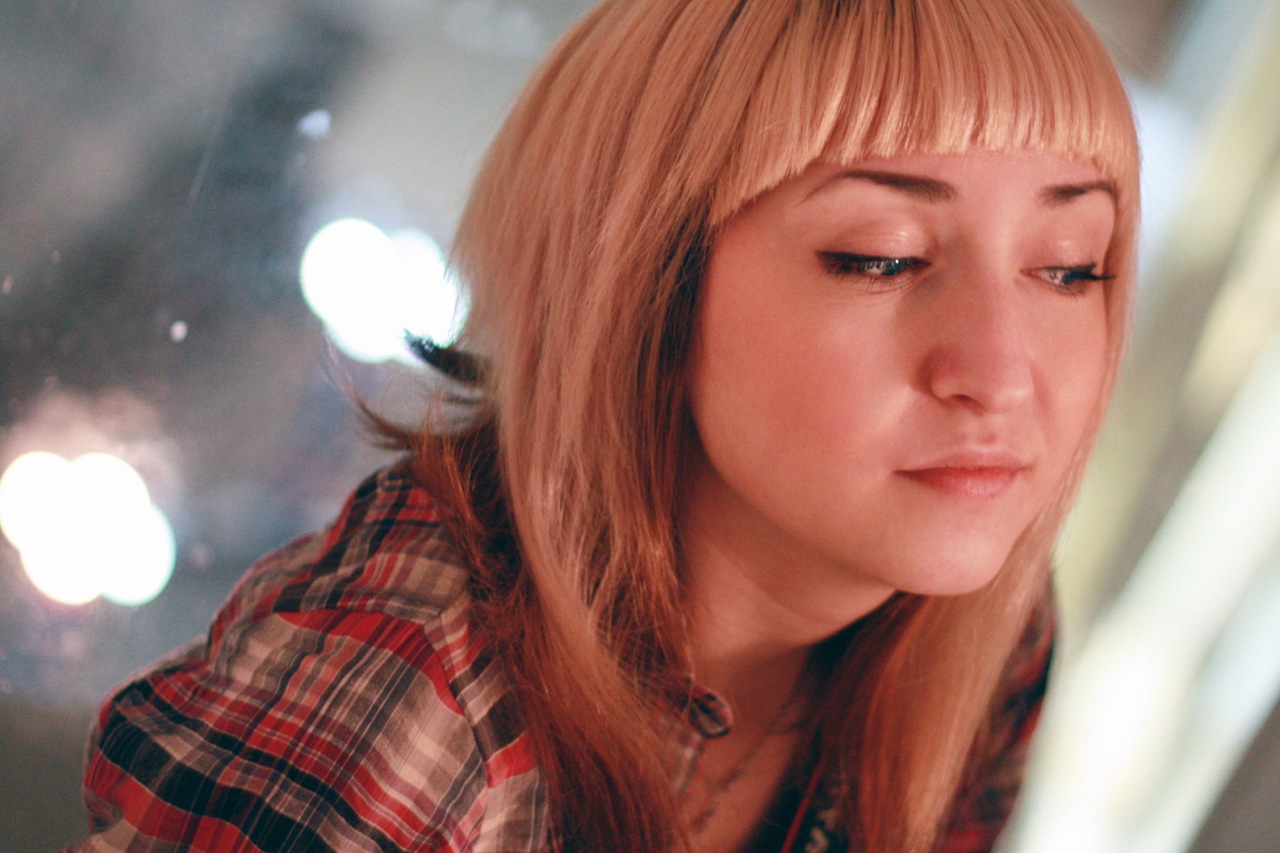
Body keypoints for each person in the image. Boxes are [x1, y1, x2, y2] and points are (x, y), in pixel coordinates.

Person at [70, 0, 1139, 850]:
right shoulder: (406, 697)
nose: (1000, 374)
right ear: (644, 288)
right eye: (881, 256)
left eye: (1067, 268)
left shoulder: (978, 637)